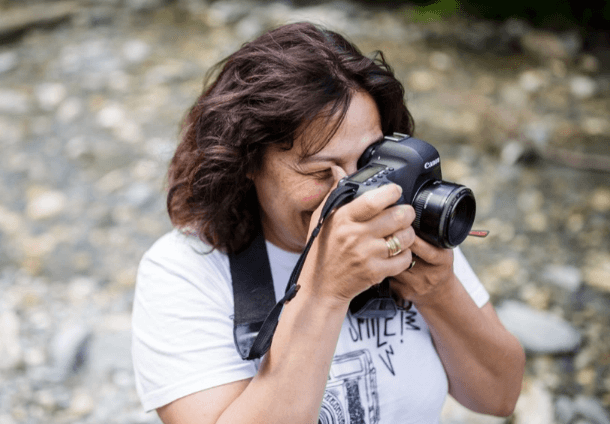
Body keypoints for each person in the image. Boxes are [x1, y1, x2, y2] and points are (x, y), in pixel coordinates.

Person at [131, 22, 525, 424]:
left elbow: (500, 396)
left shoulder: (401, 223)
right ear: (246, 162)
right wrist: (323, 292)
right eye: (321, 171)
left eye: (371, 161)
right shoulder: (183, 272)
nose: (358, 194)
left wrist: (440, 292)